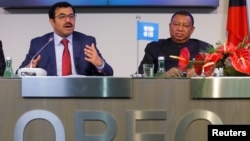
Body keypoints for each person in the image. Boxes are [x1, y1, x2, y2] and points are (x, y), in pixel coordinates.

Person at [18, 1, 113, 76]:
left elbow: (109, 74)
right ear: (52, 22)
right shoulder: (39, 44)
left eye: (71, 16)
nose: (68, 20)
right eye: (62, 16)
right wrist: (28, 69)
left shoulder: (86, 42)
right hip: (49, 94)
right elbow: (18, 74)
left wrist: (99, 64)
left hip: (81, 93)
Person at [138, 11, 213, 77]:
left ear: (192, 30)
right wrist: (164, 75)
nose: (180, 29)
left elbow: (216, 72)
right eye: (176, 24)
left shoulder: (205, 48)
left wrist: (199, 72)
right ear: (170, 26)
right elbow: (141, 75)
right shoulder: (154, 47)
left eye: (185, 26)